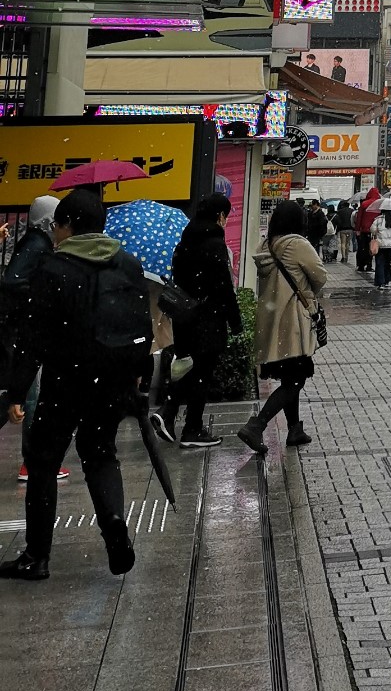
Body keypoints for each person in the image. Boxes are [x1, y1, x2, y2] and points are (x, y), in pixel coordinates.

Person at [0, 187, 155, 580]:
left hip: (65, 382)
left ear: (68, 226)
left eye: (58, 226)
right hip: (112, 380)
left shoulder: (54, 269)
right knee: (101, 454)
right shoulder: (127, 263)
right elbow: (142, 326)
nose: (55, 234)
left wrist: (16, 391)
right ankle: (115, 529)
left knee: (43, 462)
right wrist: (137, 374)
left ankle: (37, 557)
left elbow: (32, 338)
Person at [238, 200, 327, 453]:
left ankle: (294, 430)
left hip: (272, 320)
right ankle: (256, 425)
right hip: (294, 320)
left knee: (291, 377)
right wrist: (308, 291)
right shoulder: (297, 244)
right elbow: (320, 275)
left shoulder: (268, 245)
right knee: (295, 380)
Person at [154, 194, 242, 449]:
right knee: (202, 372)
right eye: (226, 215)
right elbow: (224, 288)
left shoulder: (186, 240)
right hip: (207, 318)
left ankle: (168, 414)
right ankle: (191, 428)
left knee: (189, 367)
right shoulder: (214, 243)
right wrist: (235, 321)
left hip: (185, 316)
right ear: (220, 216)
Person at [1, 194, 68, 485]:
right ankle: (33, 461)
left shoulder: (35, 244)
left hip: (17, 329)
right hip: (19, 331)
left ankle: (34, 461)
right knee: (26, 397)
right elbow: (12, 281)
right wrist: (40, 293)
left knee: (23, 396)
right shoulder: (37, 245)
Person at [371, 205, 391, 288]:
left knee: (380, 263)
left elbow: (372, 230)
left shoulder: (378, 220)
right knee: (388, 263)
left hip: (381, 245)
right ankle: (387, 280)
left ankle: (381, 282)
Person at [334, 195, 353, 265]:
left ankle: (343, 257)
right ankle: (347, 256)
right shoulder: (352, 211)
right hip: (350, 229)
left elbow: (338, 221)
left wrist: (338, 229)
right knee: (348, 243)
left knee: (343, 243)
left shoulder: (339, 212)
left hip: (342, 229)